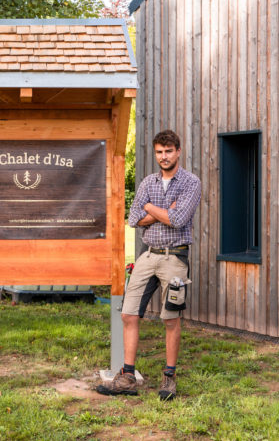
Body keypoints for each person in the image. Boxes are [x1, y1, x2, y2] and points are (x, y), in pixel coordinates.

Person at [97, 129, 201, 400]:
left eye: (168, 151)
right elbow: (133, 217)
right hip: (148, 254)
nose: (163, 157)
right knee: (129, 314)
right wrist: (162, 210)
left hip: (175, 257)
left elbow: (178, 220)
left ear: (178, 151)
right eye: (159, 152)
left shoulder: (191, 182)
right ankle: (128, 377)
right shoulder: (147, 182)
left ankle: (169, 378)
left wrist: (150, 209)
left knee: (171, 318)